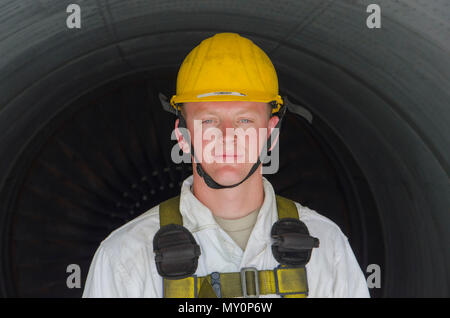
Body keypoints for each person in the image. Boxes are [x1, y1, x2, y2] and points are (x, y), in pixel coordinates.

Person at [82, 32, 370, 298]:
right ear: (182, 136)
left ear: (270, 135)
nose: (227, 136)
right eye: (209, 120)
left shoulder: (326, 249)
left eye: (244, 120)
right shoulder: (125, 258)